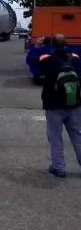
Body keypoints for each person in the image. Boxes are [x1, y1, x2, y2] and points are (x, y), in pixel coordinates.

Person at [38, 33, 81, 177]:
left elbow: (32, 63)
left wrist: (38, 47)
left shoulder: (47, 60)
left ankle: (59, 167)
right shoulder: (74, 58)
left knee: (55, 137)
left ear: (52, 45)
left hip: (53, 105)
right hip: (74, 103)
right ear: (66, 44)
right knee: (77, 135)